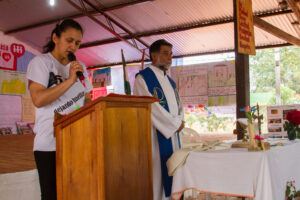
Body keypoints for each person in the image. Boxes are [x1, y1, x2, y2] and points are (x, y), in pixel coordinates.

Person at [26, 19, 93, 200]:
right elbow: (39, 99)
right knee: (52, 195)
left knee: (75, 192)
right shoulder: (41, 63)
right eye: (69, 40)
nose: (73, 46)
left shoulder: (81, 68)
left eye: (77, 43)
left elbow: (87, 99)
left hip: (78, 142)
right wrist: (70, 81)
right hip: (49, 144)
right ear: (55, 37)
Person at [133, 39, 185, 200]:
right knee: (158, 179)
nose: (169, 57)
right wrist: (175, 124)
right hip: (155, 136)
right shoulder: (143, 78)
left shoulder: (170, 81)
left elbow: (179, 105)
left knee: (174, 175)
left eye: (170, 54)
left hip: (174, 136)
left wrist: (180, 120)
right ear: (154, 56)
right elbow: (150, 107)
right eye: (165, 53)